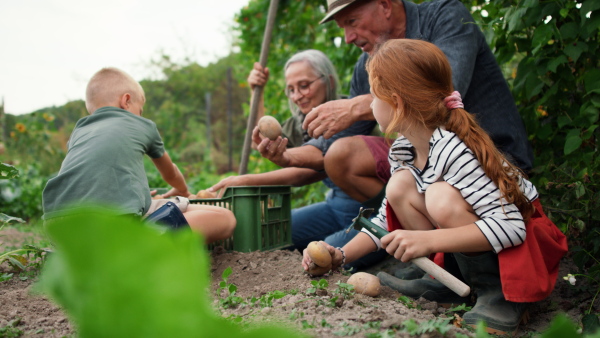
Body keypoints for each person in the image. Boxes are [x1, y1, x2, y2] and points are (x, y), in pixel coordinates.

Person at [302, 39, 567, 334]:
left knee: (440, 196)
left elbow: (513, 228)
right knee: (398, 188)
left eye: (373, 96)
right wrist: (340, 255)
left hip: (524, 250)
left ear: (396, 103)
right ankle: (446, 280)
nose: (371, 104)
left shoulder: (454, 150)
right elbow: (382, 222)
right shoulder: (405, 149)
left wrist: (427, 242)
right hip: (486, 238)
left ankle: (499, 294)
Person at [209, 50, 386, 267]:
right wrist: (258, 93)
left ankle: (385, 246)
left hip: (370, 210)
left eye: (304, 85)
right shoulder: (301, 123)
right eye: (291, 90)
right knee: (270, 231)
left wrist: (246, 180)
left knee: (324, 256)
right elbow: (266, 138)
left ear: (328, 81)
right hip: (335, 207)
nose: (296, 95)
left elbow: (308, 171)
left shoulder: (345, 115)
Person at [42, 67, 236, 243]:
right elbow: (170, 174)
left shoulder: (80, 130)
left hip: (58, 225)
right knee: (225, 218)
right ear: (126, 101)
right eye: (140, 110)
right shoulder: (142, 125)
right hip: (115, 223)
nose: (140, 116)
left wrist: (133, 191)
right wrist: (183, 191)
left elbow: (89, 173)